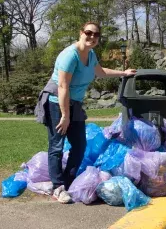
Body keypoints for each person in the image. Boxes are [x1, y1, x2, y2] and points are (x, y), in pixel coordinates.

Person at [44, 21, 136, 204]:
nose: (92, 37)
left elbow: (100, 72)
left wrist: (123, 73)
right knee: (57, 145)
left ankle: (66, 183)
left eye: (96, 35)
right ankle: (57, 187)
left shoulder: (91, 54)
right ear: (81, 33)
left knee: (79, 146)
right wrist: (65, 115)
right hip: (57, 102)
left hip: (75, 103)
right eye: (88, 33)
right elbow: (63, 87)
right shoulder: (70, 56)